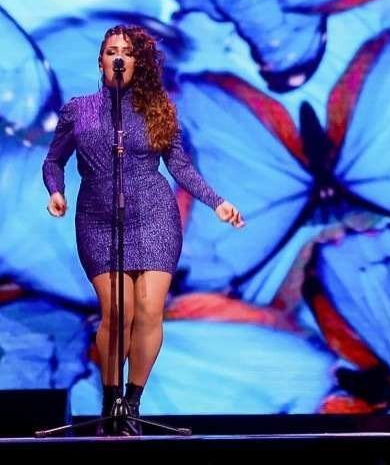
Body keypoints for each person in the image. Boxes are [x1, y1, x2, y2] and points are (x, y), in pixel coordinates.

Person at [42, 25, 245, 435]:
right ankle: (108, 402)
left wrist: (217, 201)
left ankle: (130, 406)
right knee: (118, 311)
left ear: (138, 63)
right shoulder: (78, 110)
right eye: (111, 51)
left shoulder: (158, 109)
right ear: (100, 61)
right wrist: (56, 191)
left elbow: (181, 167)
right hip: (98, 218)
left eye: (127, 52)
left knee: (149, 311)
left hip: (154, 215)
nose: (119, 57)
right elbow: (53, 161)